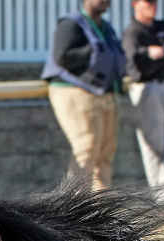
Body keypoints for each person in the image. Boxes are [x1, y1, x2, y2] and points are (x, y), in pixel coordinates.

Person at [41, 0, 128, 190]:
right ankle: (76, 206)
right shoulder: (70, 24)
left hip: (105, 94)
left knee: (105, 153)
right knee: (85, 149)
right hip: (75, 92)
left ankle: (100, 208)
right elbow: (62, 57)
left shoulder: (106, 28)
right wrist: (95, 53)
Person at [123, 0, 164, 202]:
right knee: (155, 145)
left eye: (154, 2)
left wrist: (161, 56)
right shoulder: (132, 32)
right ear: (135, 4)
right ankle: (162, 198)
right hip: (148, 87)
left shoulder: (163, 27)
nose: (152, 6)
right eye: (147, 2)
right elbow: (134, 66)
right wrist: (154, 55)